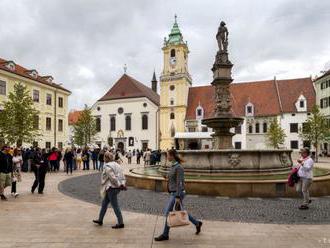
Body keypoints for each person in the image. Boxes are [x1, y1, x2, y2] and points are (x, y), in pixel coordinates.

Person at [154, 149, 202, 241]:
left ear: (172, 156)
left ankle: (165, 234)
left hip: (177, 193)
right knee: (182, 212)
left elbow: (180, 182)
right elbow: (172, 177)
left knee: (168, 212)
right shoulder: (173, 166)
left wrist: (177, 196)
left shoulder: (179, 167)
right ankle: (197, 223)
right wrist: (164, 175)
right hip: (174, 192)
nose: (167, 157)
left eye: (168, 155)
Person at [93, 151, 126, 229]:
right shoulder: (117, 165)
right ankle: (100, 220)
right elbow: (122, 176)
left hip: (111, 188)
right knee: (104, 204)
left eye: (104, 157)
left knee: (115, 206)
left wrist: (119, 185)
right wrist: (122, 184)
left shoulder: (108, 166)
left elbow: (113, 178)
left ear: (107, 158)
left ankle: (121, 223)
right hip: (112, 188)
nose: (103, 158)